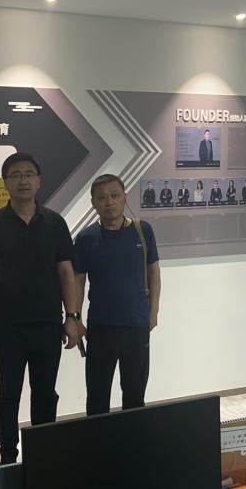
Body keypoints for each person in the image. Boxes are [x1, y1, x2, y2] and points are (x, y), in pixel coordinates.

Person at [0, 152, 81, 465]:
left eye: (28, 174)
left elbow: (66, 272)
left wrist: (72, 316)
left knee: (45, 392)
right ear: (5, 183)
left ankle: (42, 453)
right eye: (15, 175)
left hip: (48, 324)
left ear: (38, 181)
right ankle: (7, 456)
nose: (22, 180)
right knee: (8, 394)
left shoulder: (55, 223)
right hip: (8, 327)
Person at [74, 174, 160, 413]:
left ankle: (132, 437)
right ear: (93, 203)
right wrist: (75, 318)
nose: (109, 202)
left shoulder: (143, 230)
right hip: (100, 327)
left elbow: (154, 272)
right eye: (102, 197)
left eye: (115, 195)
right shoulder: (85, 238)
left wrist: (153, 312)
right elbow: (78, 281)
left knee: (135, 395)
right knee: (97, 397)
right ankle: (98, 438)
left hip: (136, 325)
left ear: (125, 197)